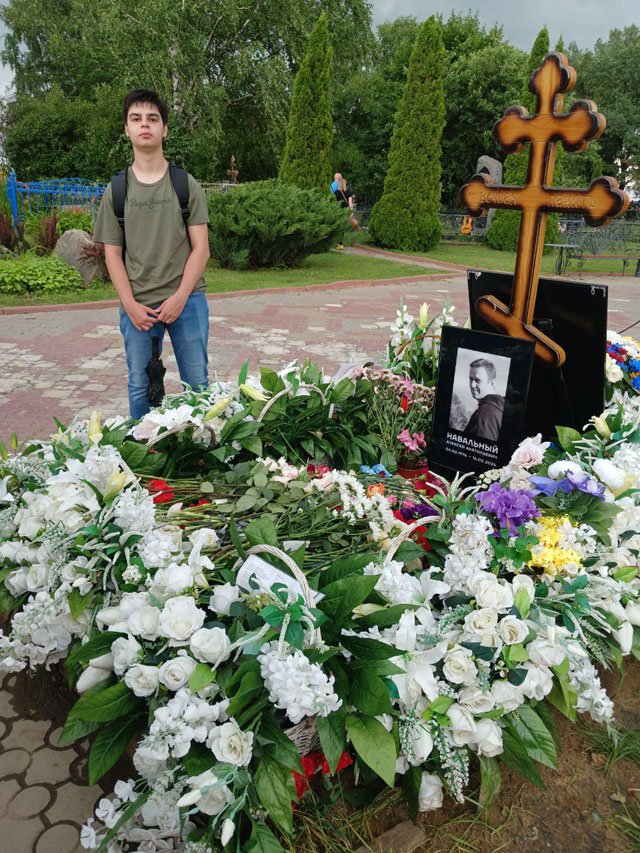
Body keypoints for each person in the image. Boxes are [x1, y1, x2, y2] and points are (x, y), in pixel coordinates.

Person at [93, 88, 211, 420]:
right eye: (136, 118)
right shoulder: (116, 191)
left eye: (153, 119)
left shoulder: (185, 185)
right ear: (126, 129)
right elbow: (112, 255)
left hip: (188, 302)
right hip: (137, 307)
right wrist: (129, 305)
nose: (145, 125)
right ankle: (147, 457)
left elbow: (201, 250)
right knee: (140, 388)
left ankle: (199, 453)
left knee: (198, 385)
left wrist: (179, 298)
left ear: (164, 129)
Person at [463, 358, 504, 441]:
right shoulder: (498, 407)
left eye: (477, 380)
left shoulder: (486, 413)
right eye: (471, 379)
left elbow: (481, 451)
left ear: (492, 383)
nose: (472, 385)